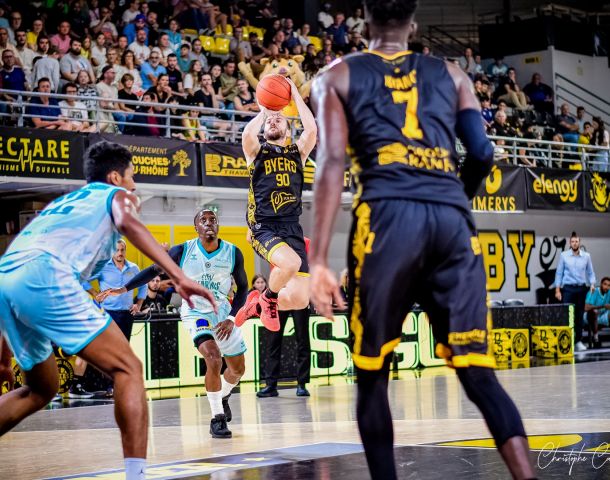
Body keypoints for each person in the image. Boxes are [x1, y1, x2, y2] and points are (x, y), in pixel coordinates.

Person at [308, 2, 536, 480]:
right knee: (478, 373)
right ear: (413, 25)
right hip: (452, 219)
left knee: (372, 375)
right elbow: (482, 152)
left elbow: (330, 161)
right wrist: (454, 200)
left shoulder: (337, 76)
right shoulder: (452, 74)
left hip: (387, 218)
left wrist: (321, 259)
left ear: (364, 20)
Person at [0, 141, 215, 480]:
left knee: (41, 389)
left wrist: (3, 357)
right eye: (132, 177)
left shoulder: (64, 205)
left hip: (7, 280)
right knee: (129, 368)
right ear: (115, 177)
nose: (134, 186)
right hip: (46, 276)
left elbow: (19, 267)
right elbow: (128, 220)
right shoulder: (115, 195)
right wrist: (179, 276)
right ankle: (136, 475)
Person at [98, 209, 248, 439]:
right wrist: (123, 288)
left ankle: (224, 394)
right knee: (213, 357)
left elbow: (243, 288)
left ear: (218, 226)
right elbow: (153, 270)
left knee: (238, 370)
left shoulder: (233, 252)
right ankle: (217, 418)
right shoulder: (182, 251)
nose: (209, 223)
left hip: (223, 313)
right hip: (195, 312)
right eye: (203, 220)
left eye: (213, 220)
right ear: (196, 227)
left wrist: (231, 318)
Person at [235, 78, 317, 332]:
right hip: (264, 226)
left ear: (288, 130)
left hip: (292, 227)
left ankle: (257, 304)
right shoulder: (256, 152)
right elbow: (247, 134)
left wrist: (295, 95)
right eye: (270, 122)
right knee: (290, 263)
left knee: (300, 300)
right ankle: (268, 298)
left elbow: (311, 130)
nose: (273, 121)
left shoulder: (297, 153)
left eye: (279, 120)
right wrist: (265, 110)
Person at [257, 238, 312, 398]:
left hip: (299, 294)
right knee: (273, 341)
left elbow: (310, 268)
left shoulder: (305, 242)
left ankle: (302, 384)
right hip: (279, 297)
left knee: (303, 341)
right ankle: (271, 385)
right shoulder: (272, 241)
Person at [555, 232, 596, 352]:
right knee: (568, 315)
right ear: (570, 243)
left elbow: (590, 272)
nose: (574, 243)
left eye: (576, 241)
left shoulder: (586, 256)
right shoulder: (564, 255)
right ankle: (567, 340)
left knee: (579, 315)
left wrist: (592, 284)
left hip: (581, 288)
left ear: (579, 242)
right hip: (568, 288)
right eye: (572, 241)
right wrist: (557, 290)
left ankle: (578, 341)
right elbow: (559, 273)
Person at [585, 277, 610, 348]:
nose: (606, 287)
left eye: (609, 285)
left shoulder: (608, 292)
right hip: (589, 316)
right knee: (594, 311)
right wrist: (603, 306)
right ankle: (595, 338)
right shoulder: (593, 291)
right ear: (601, 284)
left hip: (602, 316)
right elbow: (586, 308)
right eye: (605, 284)